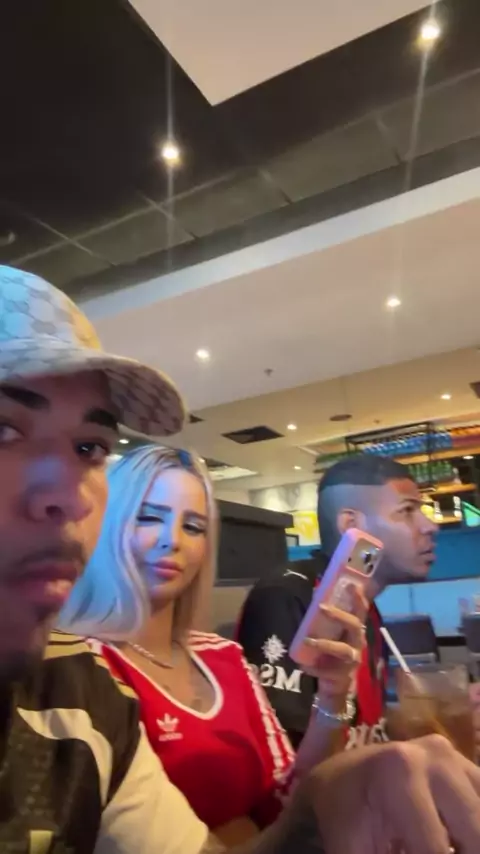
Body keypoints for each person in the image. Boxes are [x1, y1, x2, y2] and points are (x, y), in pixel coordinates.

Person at [1, 264, 480, 854]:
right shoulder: (97, 665)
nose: (71, 494)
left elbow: (282, 802)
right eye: (4, 429)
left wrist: (333, 735)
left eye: (88, 447)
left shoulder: (87, 690)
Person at [59, 444, 368, 842]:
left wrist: (332, 694)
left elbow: (290, 800)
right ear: (107, 524)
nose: (172, 540)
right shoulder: (77, 665)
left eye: (193, 527)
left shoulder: (224, 656)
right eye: (149, 517)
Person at [237, 455, 438, 749]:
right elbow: (288, 756)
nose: (430, 526)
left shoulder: (365, 606)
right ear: (351, 525)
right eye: (407, 510)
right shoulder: (287, 595)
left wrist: (434, 721)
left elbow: (367, 729)